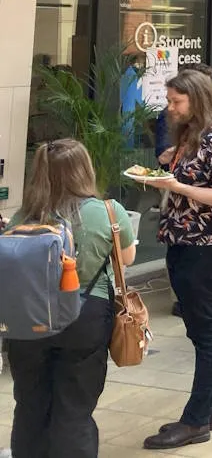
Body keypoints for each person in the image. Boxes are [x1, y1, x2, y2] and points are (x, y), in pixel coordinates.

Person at [6, 140, 136, 458]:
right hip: (86, 314)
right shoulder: (108, 211)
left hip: (29, 318)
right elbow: (128, 258)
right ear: (84, 170)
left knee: (30, 405)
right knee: (74, 408)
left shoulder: (24, 215)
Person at [140, 71, 212, 450]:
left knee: (205, 331)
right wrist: (172, 164)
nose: (171, 108)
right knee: (203, 329)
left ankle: (197, 419)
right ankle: (210, 411)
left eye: (176, 102)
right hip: (184, 239)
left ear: (196, 99)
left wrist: (177, 185)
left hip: (204, 244)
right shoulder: (193, 134)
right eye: (169, 101)